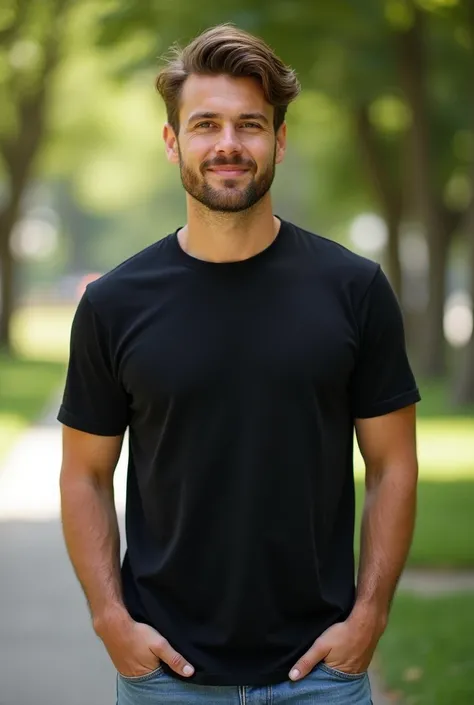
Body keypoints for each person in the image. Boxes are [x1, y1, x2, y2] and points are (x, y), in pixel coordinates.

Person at [58, 23, 420, 705]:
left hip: (321, 677)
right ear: (173, 143)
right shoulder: (113, 304)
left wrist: (368, 617)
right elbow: (84, 472)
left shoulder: (355, 289)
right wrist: (112, 620)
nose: (228, 144)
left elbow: (394, 464)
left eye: (250, 125)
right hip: (165, 677)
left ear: (280, 140)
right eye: (206, 125)